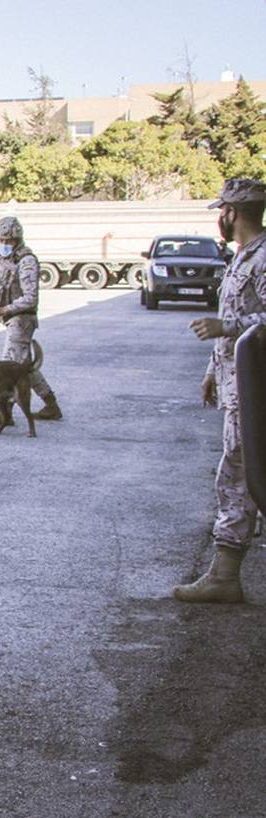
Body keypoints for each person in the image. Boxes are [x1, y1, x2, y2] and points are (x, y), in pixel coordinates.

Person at [177, 177, 266, 604]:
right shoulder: (241, 258)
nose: (220, 218)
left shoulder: (264, 257)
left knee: (238, 476)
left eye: (222, 210)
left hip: (256, 390)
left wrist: (226, 328)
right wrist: (214, 368)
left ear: (231, 213)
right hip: (237, 384)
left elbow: (252, 319)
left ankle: (224, 577)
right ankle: (224, 573)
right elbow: (234, 313)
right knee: (239, 473)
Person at [0, 216, 62, 425]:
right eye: (2, 241)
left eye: (10, 242)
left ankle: (4, 412)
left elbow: (30, 297)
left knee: (8, 367)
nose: (5, 245)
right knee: (25, 368)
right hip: (8, 318)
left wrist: (5, 308)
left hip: (21, 319)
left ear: (18, 240)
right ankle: (51, 405)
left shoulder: (26, 261)